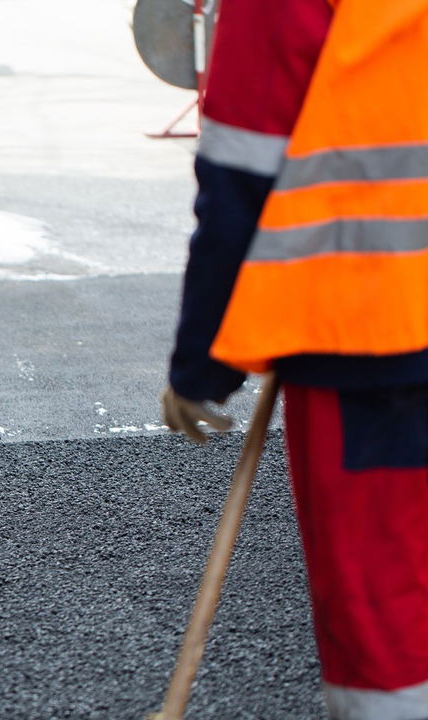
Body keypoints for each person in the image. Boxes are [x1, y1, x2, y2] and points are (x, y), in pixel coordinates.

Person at [161, 0, 428, 717]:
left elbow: (242, 176)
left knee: (391, 627)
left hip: (374, 336)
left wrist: (202, 370)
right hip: (382, 330)